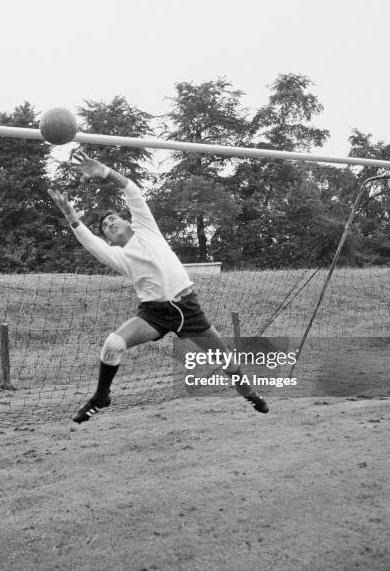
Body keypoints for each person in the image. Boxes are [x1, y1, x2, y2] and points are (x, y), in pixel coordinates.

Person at [48, 149, 269, 423]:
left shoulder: (146, 228)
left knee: (228, 363)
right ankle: (101, 397)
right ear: (108, 237)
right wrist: (70, 213)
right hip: (154, 314)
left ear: (127, 220)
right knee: (112, 345)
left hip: (188, 309)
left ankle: (246, 390)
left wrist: (103, 171)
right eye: (105, 226)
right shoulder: (118, 256)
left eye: (113, 218)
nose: (110, 223)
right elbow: (89, 241)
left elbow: (133, 192)